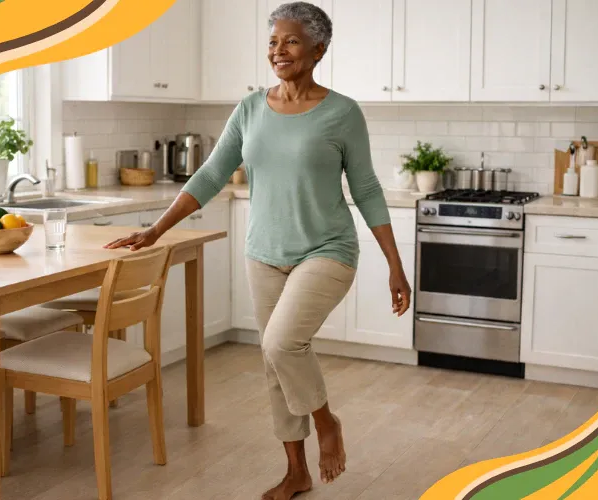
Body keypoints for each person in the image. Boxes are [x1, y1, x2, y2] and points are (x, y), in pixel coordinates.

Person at [104, 2, 412, 499]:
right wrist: (156, 229)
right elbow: (209, 174)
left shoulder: (342, 112)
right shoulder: (250, 108)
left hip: (327, 249)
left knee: (279, 344)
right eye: (272, 41)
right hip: (264, 251)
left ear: (318, 49)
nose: (278, 50)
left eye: (290, 41)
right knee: (275, 364)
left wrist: (395, 267)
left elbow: (368, 189)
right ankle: (296, 471)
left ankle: (326, 421)